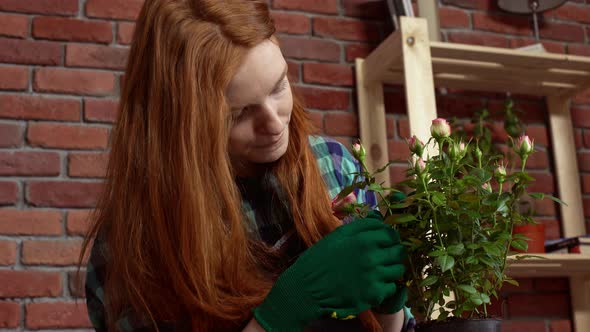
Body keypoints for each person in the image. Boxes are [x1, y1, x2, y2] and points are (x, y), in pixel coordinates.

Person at [80, 0, 413, 331]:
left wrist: (390, 301)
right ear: (181, 125)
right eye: (238, 114)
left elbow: (396, 328)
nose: (274, 123)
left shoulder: (333, 164)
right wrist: (282, 313)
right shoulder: (131, 247)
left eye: (279, 86)